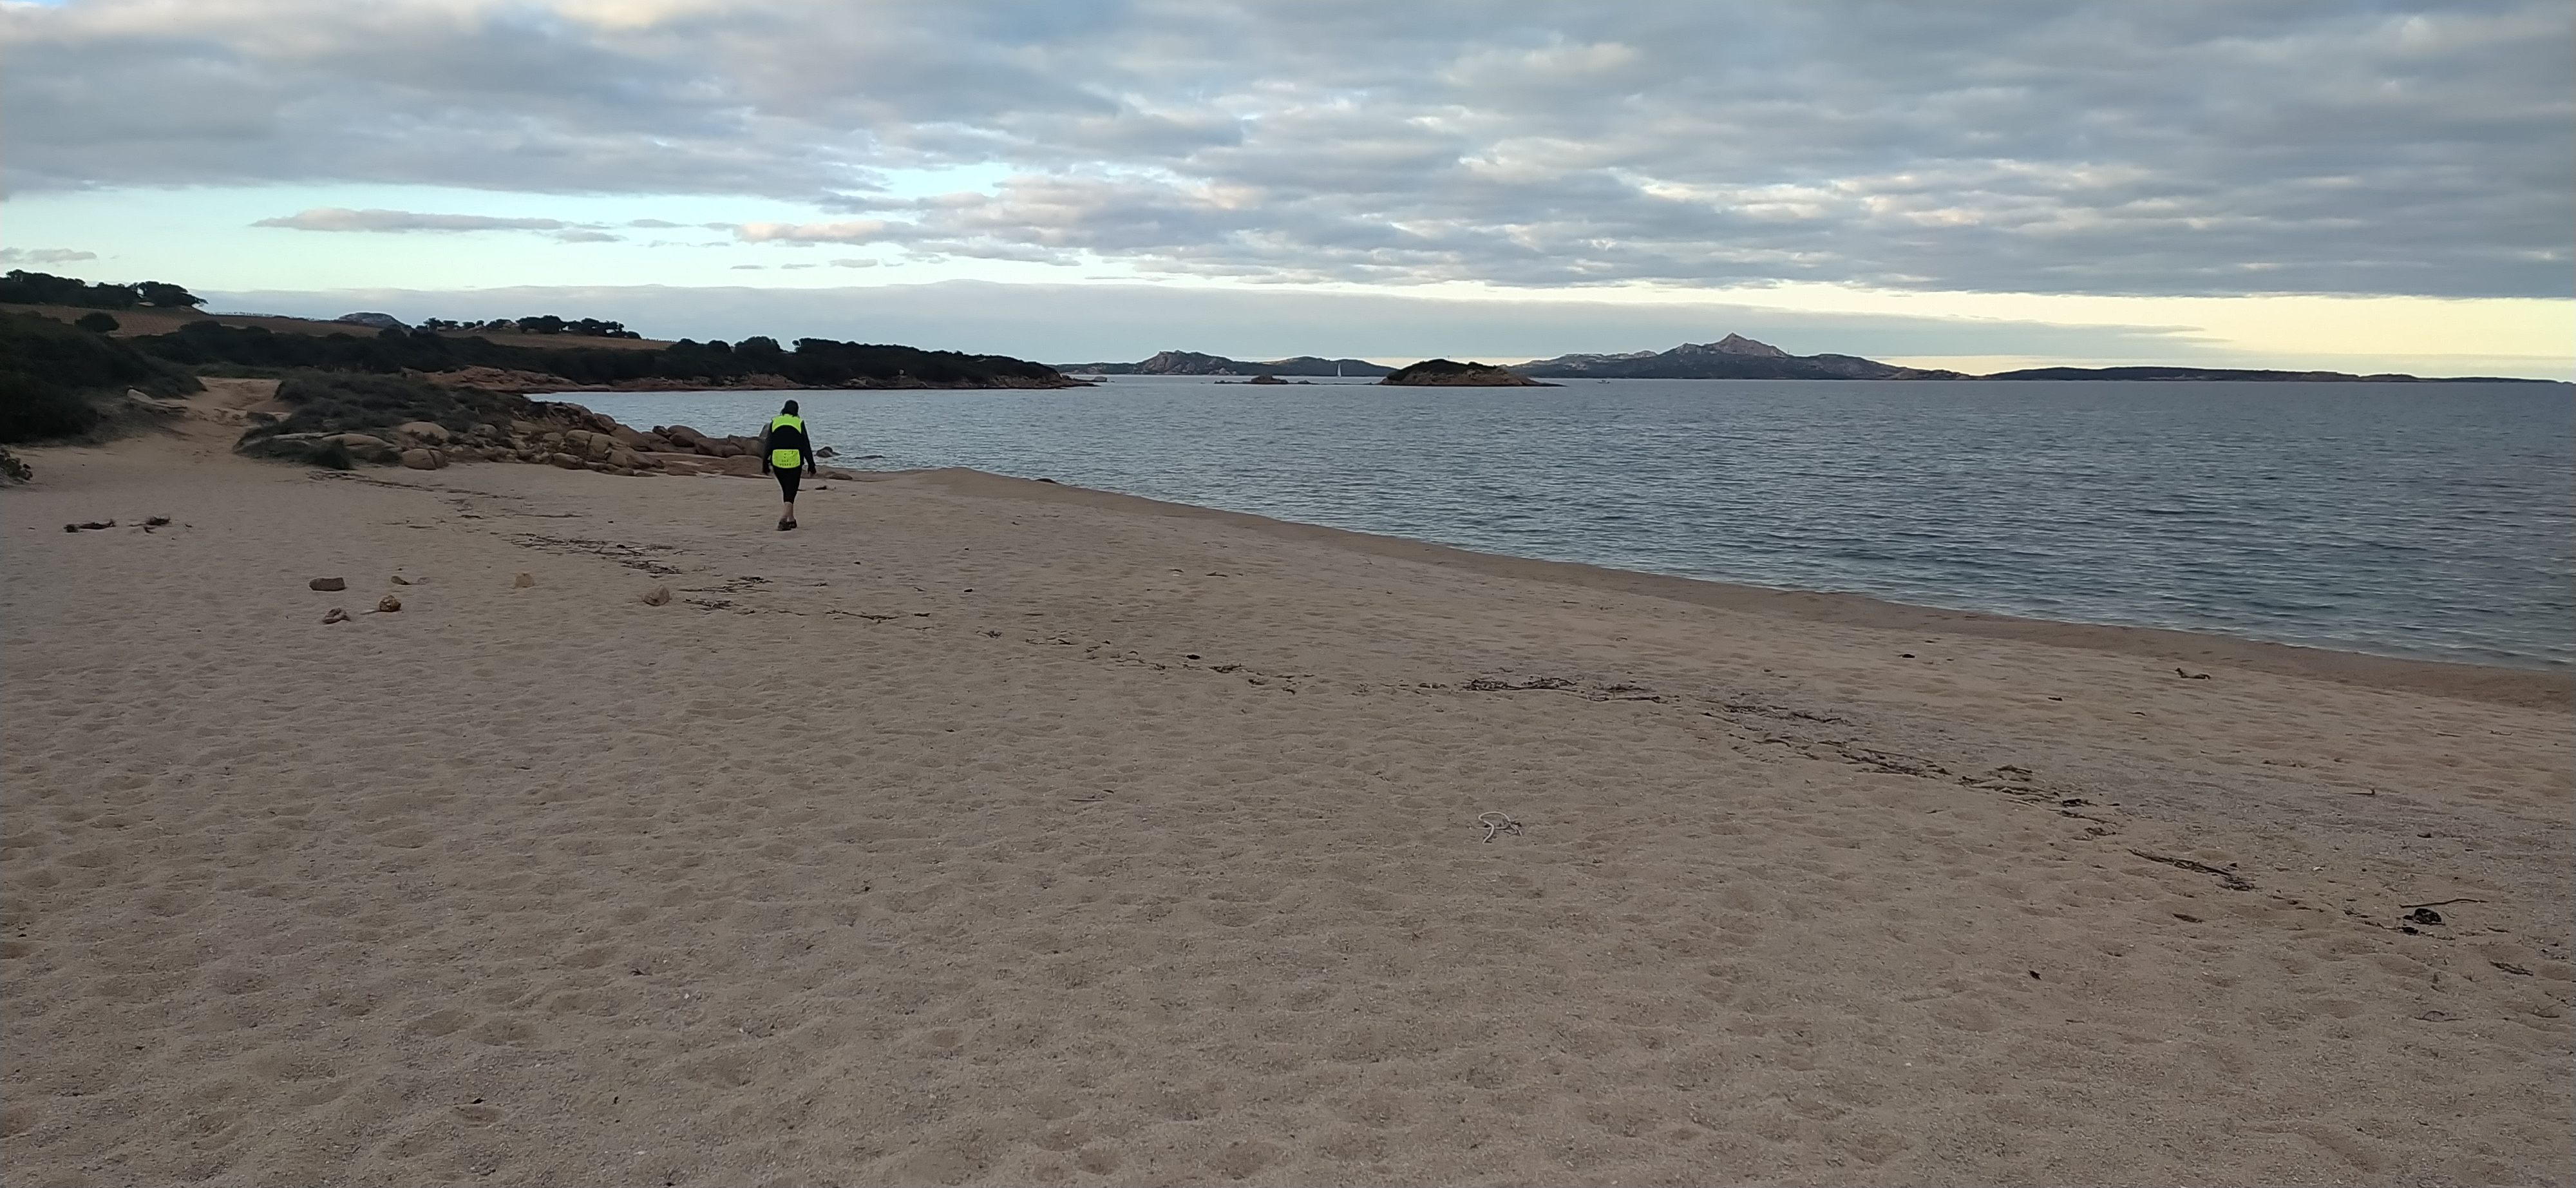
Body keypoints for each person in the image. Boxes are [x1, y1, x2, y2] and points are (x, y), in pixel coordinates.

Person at [760, 399, 819, 530]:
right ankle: (783, 518)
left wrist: (765, 462)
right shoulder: (799, 423)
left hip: (777, 461)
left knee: (786, 490)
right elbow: (805, 445)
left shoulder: (775, 422)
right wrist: (811, 465)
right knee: (791, 490)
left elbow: (769, 444)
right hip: (794, 460)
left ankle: (791, 519)